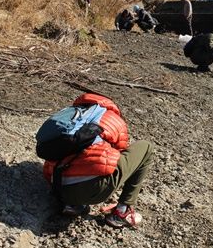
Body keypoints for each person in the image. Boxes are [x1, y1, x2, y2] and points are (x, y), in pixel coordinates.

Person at [41, 93, 154, 228]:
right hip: (93, 190)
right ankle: (122, 211)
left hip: (58, 189)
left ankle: (73, 205)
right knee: (146, 147)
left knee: (76, 161)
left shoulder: (69, 117)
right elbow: (119, 155)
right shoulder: (112, 118)